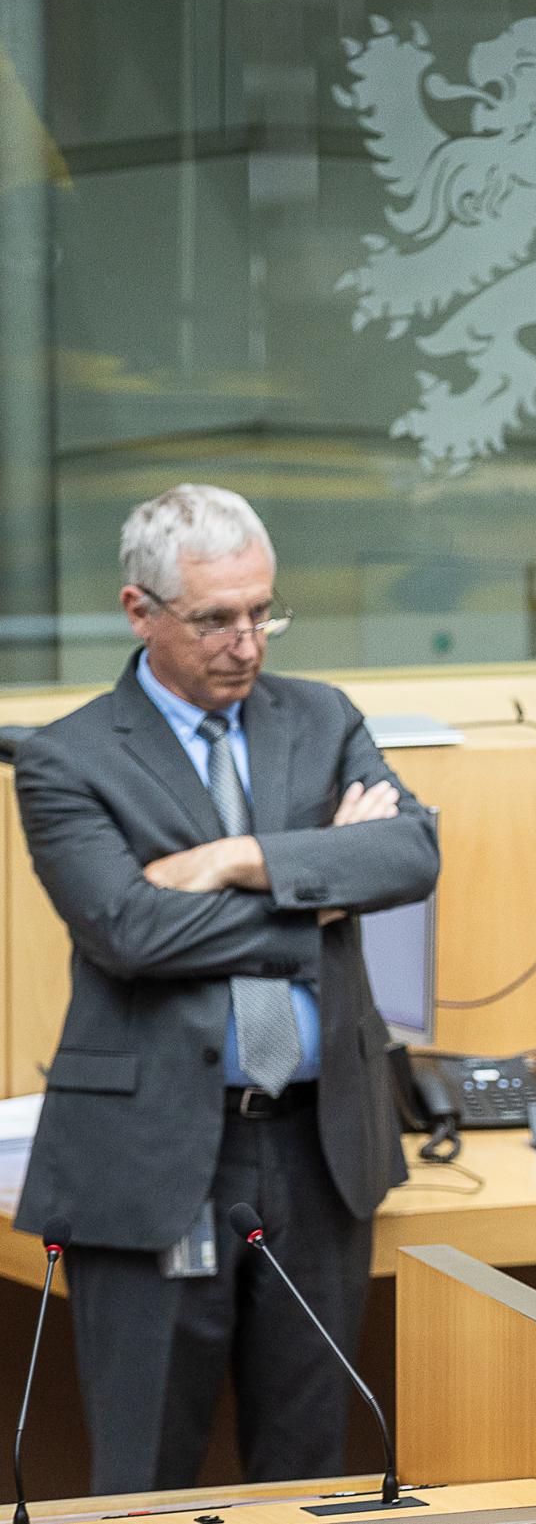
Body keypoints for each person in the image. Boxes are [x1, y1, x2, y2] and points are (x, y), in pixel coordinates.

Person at [11, 485, 439, 1491]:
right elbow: (131, 932)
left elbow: (411, 855)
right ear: (139, 611)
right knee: (147, 1478)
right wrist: (316, 888)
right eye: (214, 619)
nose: (246, 643)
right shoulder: (66, 758)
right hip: (154, 1152)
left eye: (262, 613)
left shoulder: (323, 717)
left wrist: (235, 857)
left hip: (316, 1144)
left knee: (310, 1472)